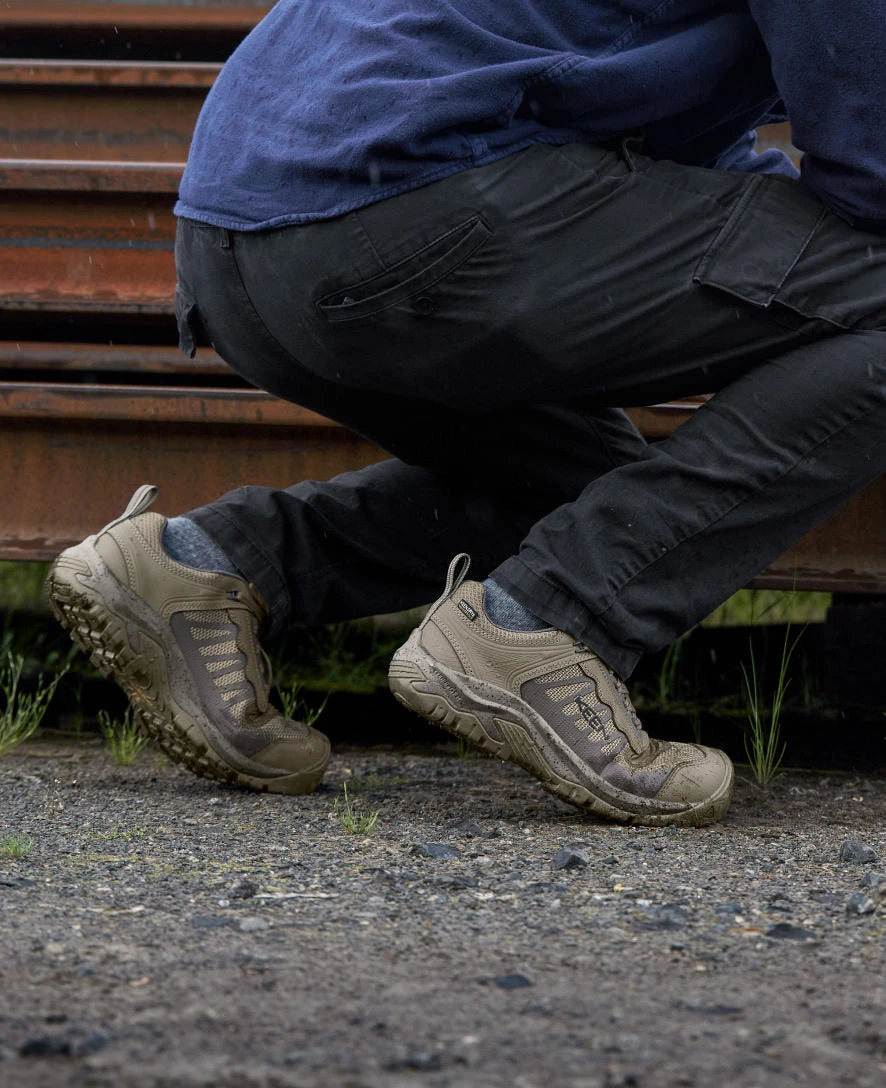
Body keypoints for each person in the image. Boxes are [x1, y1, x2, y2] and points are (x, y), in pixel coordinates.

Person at [47, 1, 885, 827]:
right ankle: (550, 626)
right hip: (402, 215)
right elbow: (871, 170)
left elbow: (684, 145)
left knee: (586, 498)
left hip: (236, 230)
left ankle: (205, 568)